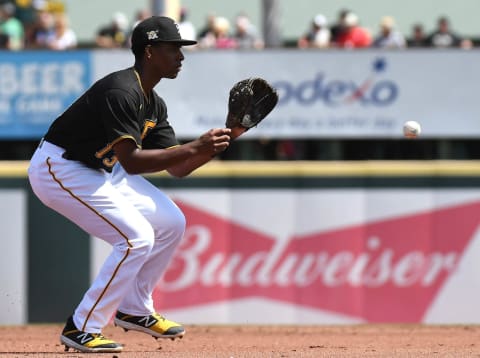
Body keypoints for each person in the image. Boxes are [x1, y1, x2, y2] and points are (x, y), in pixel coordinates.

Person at [28, 16, 235, 353]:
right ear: (150, 51)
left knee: (171, 222)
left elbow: (178, 167)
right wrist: (197, 145)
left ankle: (134, 309)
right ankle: (82, 326)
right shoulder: (121, 91)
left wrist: (218, 144)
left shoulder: (154, 102)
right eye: (174, 49)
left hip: (98, 170)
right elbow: (133, 162)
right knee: (136, 237)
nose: (181, 57)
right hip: (59, 167)